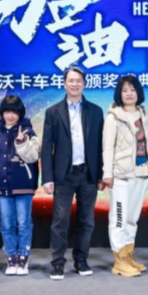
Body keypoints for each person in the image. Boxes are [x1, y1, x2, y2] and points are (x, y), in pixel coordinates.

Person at [41, 67, 104, 280]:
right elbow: (47, 147)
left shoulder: (96, 111)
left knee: (87, 221)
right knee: (60, 221)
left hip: (88, 175)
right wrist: (47, 178)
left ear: (84, 84)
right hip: (63, 176)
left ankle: (81, 260)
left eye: (78, 81)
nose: (75, 84)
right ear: (64, 84)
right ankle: (58, 263)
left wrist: (101, 174)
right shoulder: (53, 112)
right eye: (71, 80)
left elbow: (100, 146)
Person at [102, 75, 148, 277]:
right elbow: (107, 147)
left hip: (142, 174)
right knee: (119, 218)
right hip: (121, 175)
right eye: (125, 90)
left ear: (138, 92)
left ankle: (128, 256)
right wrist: (107, 174)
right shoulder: (113, 117)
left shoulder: (145, 115)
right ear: (119, 93)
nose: (129, 94)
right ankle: (118, 261)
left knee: (132, 218)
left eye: (132, 89)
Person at [0, 95, 39, 276]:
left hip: (23, 185)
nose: (10, 115)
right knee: (6, 224)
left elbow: (33, 156)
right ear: (2, 113)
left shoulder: (29, 132)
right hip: (0, 187)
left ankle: (23, 257)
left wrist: (22, 142)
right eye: (7, 111)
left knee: (24, 223)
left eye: (14, 112)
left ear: (20, 113)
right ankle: (11, 257)